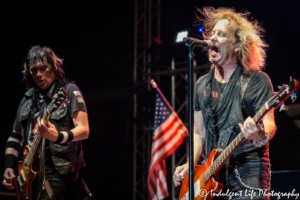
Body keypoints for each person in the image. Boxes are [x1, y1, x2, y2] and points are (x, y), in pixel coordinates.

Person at [173, 7, 276, 200]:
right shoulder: (201, 84)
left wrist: (258, 134)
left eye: (221, 34)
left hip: (248, 168)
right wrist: (191, 165)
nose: (212, 38)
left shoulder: (256, 80)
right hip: (212, 173)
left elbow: (269, 122)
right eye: (212, 33)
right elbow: (198, 132)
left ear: (237, 45)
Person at [2, 46, 91, 200]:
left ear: (54, 67)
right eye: (34, 71)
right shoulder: (27, 99)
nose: (39, 74)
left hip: (59, 175)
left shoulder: (69, 91)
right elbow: (15, 136)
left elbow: (84, 130)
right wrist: (9, 165)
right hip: (30, 176)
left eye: (43, 68)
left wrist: (58, 136)